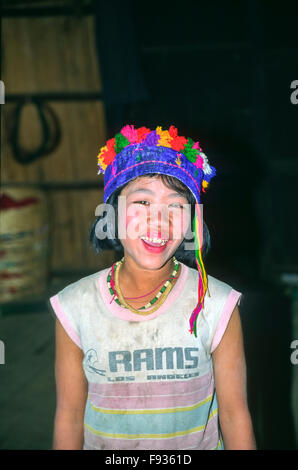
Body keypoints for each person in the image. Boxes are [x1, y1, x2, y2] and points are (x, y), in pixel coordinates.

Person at [49, 124, 256, 450]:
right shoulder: (75, 307)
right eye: (143, 202)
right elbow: (70, 415)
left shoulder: (216, 305)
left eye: (176, 206)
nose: (159, 221)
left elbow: (234, 416)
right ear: (112, 213)